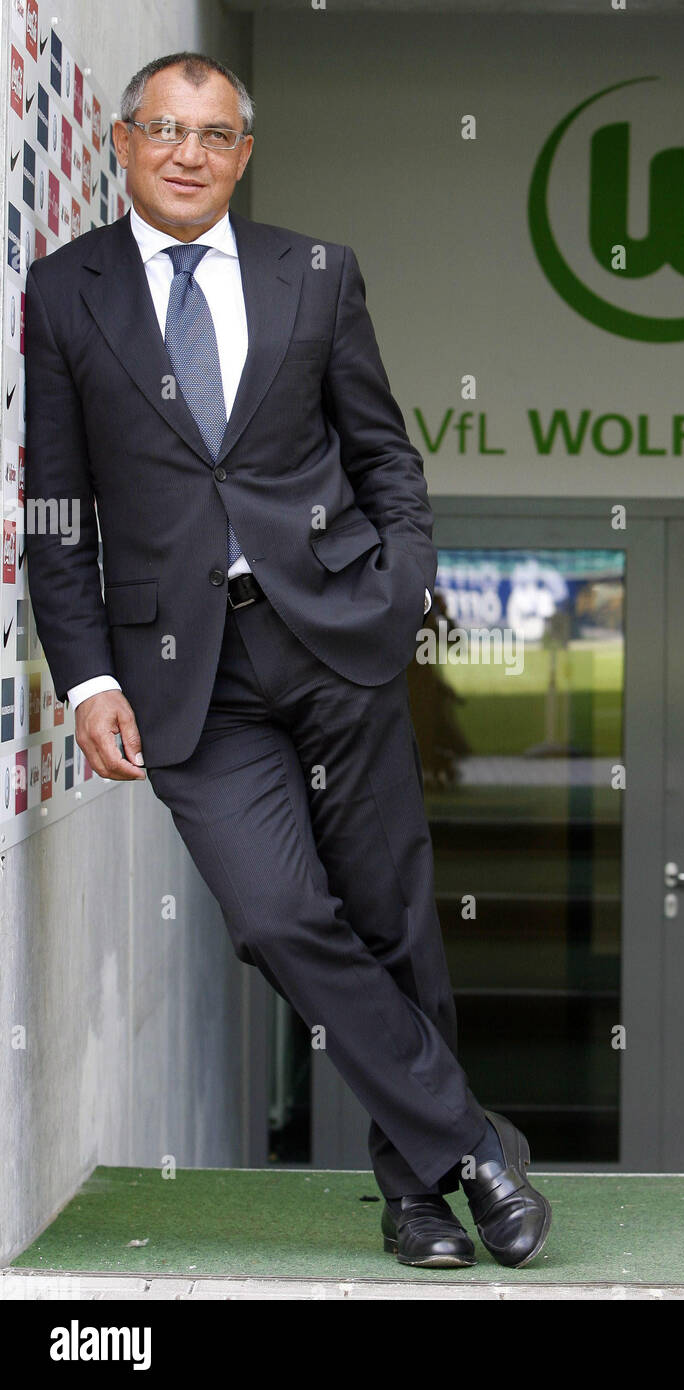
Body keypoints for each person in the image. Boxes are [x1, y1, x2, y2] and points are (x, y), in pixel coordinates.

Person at [24, 51, 551, 1271]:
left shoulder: (315, 274)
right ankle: (470, 1145)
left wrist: (401, 580)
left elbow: (387, 455)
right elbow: (56, 505)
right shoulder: (64, 291)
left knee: (390, 917)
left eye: (214, 134)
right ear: (123, 140)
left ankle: (418, 1192)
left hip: (335, 638)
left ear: (243, 154)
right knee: (274, 915)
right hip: (179, 671)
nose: (189, 153)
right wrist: (87, 675)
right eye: (165, 129)